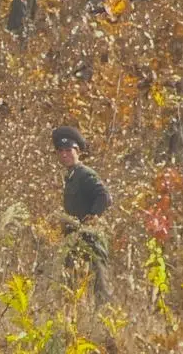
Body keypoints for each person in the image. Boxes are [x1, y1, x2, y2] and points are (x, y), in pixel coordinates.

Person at [53, 125, 112, 303]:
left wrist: (92, 218)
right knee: (70, 285)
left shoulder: (84, 174)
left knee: (100, 286)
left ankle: (104, 325)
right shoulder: (70, 176)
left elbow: (104, 196)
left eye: (68, 150)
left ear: (77, 151)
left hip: (91, 239)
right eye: (60, 151)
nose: (64, 154)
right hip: (75, 240)